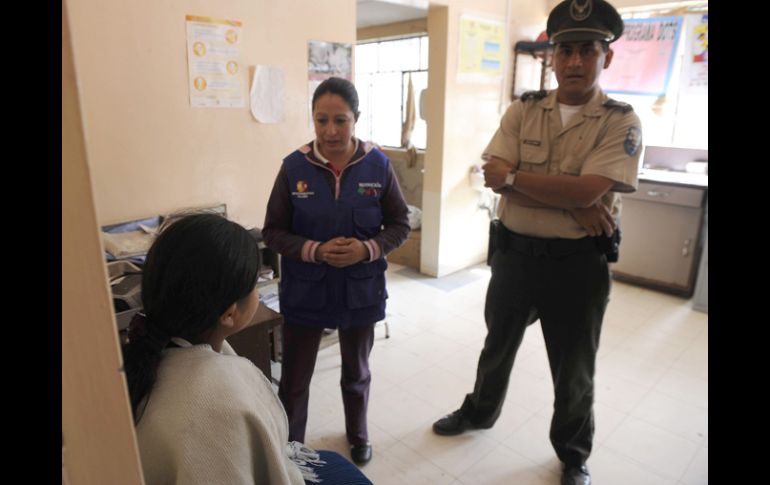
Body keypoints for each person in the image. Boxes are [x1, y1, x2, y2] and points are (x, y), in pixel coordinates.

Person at [431, 2, 642, 485]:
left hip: (577, 266)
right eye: (565, 50)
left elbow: (585, 189)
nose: (574, 61)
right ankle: (479, 412)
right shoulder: (523, 110)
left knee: (574, 370)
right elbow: (493, 175)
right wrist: (575, 202)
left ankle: (572, 454)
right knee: (496, 347)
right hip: (515, 258)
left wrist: (526, 183)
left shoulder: (620, 121)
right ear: (551, 56)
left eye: (587, 50)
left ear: (606, 57)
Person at [122, 212, 373, 484]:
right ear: (229, 314)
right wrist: (317, 250)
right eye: (256, 284)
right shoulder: (222, 398)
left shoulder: (147, 356)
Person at [263, 77, 410, 465]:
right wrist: (314, 250)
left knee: (357, 371)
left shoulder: (377, 165)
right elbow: (273, 231)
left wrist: (366, 249)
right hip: (306, 292)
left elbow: (400, 223)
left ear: (355, 118)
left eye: (340, 120)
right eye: (321, 120)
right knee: (295, 379)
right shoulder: (294, 167)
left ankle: (358, 434)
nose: (330, 131)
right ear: (312, 119)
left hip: (360, 290)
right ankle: (291, 448)